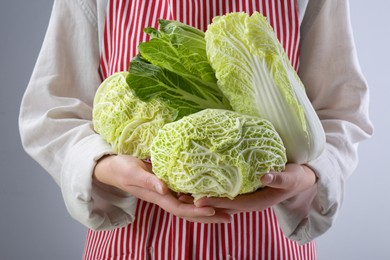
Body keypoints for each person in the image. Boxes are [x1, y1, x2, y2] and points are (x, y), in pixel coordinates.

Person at [19, 0, 373, 259]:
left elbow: (341, 109)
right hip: (135, 239)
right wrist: (103, 166)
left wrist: (310, 174)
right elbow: (52, 109)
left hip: (266, 240)